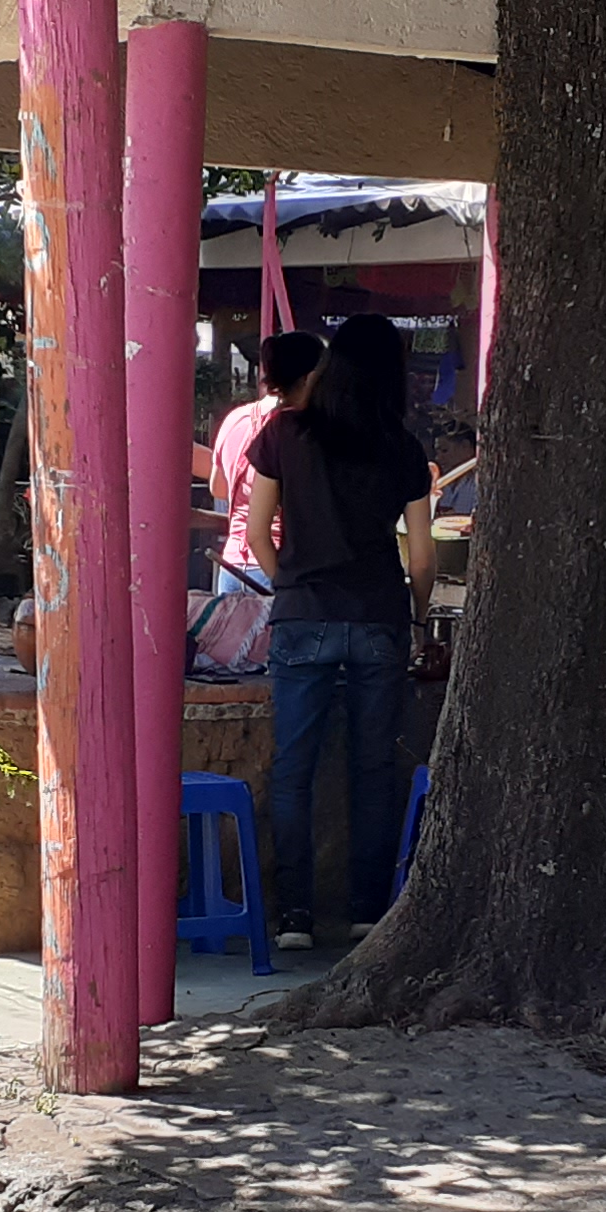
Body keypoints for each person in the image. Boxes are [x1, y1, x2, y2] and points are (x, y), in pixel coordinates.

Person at [241, 311, 433, 947]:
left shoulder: (284, 433)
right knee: (373, 769)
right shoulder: (402, 446)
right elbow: (422, 556)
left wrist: (286, 579)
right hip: (379, 615)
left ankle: (295, 914)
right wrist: (420, 612)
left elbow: (256, 530)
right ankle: (366, 911)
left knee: (294, 767)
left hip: (303, 615)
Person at [203, 330, 324, 601]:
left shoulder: (235, 419)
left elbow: (218, 488)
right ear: (312, 375)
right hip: (278, 563)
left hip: (231, 565)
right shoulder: (297, 430)